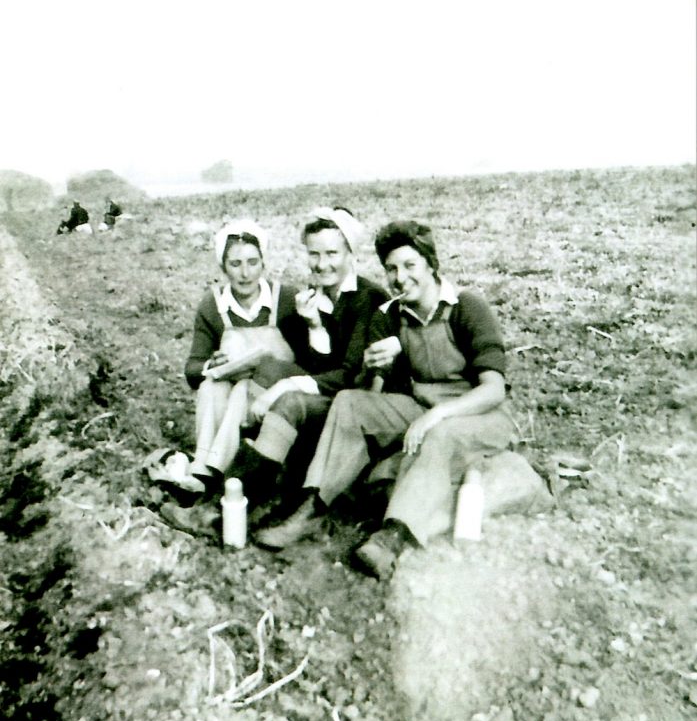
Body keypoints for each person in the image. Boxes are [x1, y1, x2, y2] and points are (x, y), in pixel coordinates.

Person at [257, 220, 518, 576]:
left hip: (479, 412)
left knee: (437, 435)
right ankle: (313, 508)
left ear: (430, 263)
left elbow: (493, 389)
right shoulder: (390, 315)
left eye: (410, 265)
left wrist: (437, 416)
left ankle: (392, 537)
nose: (400, 277)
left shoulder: (466, 307)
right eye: (391, 268)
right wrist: (370, 367)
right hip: (421, 405)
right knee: (350, 401)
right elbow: (370, 394)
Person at [228, 207, 388, 529]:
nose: (322, 263)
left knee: (287, 395)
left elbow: (349, 376)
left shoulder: (368, 299)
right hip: (328, 393)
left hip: (354, 405)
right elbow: (312, 365)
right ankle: (256, 478)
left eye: (332, 253)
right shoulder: (317, 296)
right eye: (314, 254)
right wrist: (313, 325)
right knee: (270, 369)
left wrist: (287, 386)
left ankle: (245, 496)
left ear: (350, 253)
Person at [159, 219, 299, 534]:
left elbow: (305, 359)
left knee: (242, 389)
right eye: (235, 264)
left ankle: (211, 472)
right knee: (212, 385)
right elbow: (192, 370)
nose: (245, 272)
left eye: (252, 262)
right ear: (223, 267)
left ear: (264, 262)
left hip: (272, 395)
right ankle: (204, 471)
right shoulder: (214, 305)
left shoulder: (286, 299)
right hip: (230, 400)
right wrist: (212, 363)